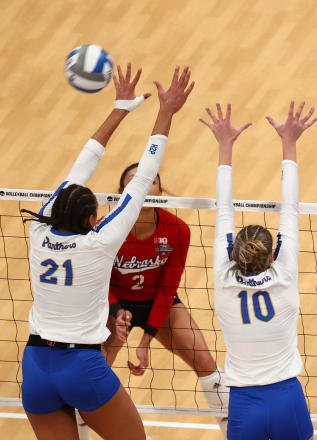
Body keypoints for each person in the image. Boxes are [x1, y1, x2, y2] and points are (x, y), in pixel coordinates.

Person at [20, 62, 194, 439]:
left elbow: (81, 166)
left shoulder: (37, 230)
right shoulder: (98, 243)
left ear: (56, 210)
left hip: (35, 366)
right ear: (89, 220)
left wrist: (120, 108)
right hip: (81, 366)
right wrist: (165, 112)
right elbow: (144, 177)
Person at [201, 101, 316, 439]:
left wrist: (225, 147)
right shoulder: (284, 276)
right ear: (271, 257)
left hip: (243, 404)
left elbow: (223, 210)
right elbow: (290, 209)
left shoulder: (224, 279)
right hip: (287, 399)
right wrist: (289, 144)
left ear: (233, 254)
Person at [103, 163, 229, 433]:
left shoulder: (178, 230)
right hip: (113, 304)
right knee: (91, 371)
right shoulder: (106, 229)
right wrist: (115, 312)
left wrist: (147, 337)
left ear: (160, 189)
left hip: (158, 302)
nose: (143, 186)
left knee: (205, 361)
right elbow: (99, 280)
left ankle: (236, 432)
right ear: (122, 191)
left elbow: (168, 287)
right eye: (134, 181)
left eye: (150, 181)